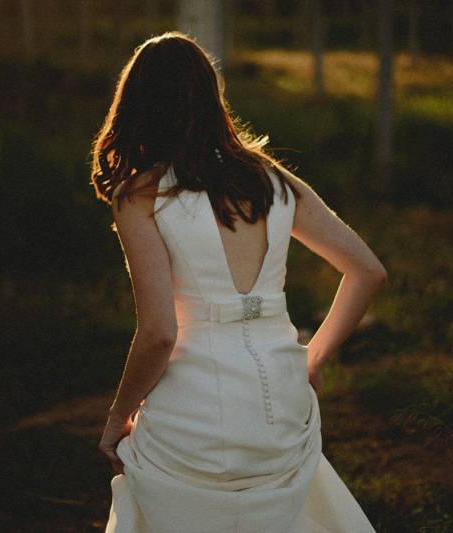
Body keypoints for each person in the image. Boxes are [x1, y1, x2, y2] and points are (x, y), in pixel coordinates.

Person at [91, 31, 386, 533]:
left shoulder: (140, 197)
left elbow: (160, 331)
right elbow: (368, 271)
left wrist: (118, 417)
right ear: (211, 97)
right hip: (281, 401)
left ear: (138, 105)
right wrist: (312, 358)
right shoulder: (273, 180)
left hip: (195, 414)